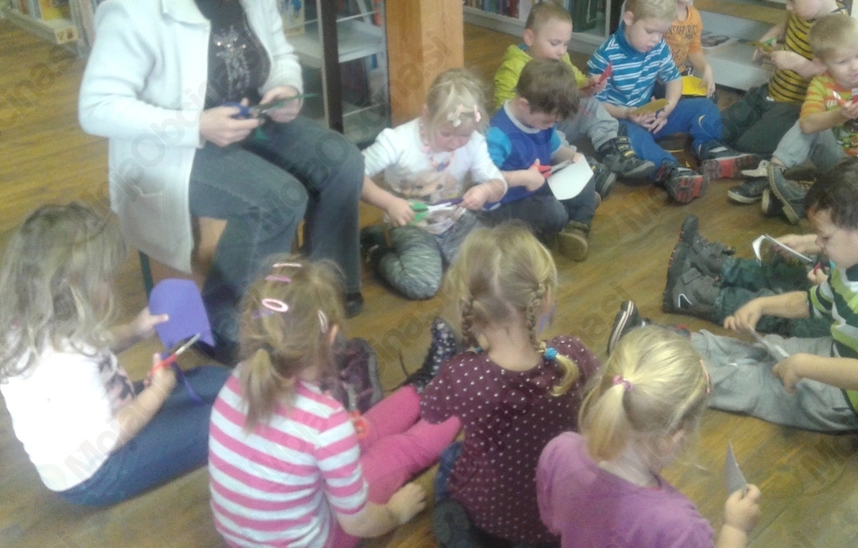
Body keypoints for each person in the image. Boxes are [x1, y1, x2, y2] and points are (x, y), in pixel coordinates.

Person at [78, 0, 365, 363]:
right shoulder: (137, 1)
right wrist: (196, 125)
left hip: (247, 120)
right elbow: (96, 108)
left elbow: (280, 52)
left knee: (342, 161)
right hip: (171, 148)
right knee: (277, 200)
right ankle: (228, 329)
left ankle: (323, 292)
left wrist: (286, 85)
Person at [0, 203, 229, 506]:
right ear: (73, 289)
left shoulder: (35, 319)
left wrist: (135, 330)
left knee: (214, 381)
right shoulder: (67, 363)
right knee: (224, 422)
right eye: (104, 276)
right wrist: (157, 393)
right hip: (99, 472)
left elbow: (97, 342)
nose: (110, 282)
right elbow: (108, 438)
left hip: (108, 417)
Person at [208, 256, 461, 548]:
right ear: (331, 337)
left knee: (363, 428)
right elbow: (358, 523)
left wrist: (337, 436)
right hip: (321, 539)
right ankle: (461, 401)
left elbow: (290, 440)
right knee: (395, 449)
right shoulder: (326, 421)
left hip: (245, 539)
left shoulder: (237, 379)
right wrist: (395, 512)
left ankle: (424, 386)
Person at [691, 157, 858, 432]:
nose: (817, 243)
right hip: (841, 352)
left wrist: (802, 365)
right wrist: (762, 304)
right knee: (766, 350)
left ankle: (676, 380)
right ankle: (679, 342)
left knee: (759, 384)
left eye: (825, 237)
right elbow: (810, 302)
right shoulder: (855, 266)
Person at [660, 114, 858, 330]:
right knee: (790, 272)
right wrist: (808, 244)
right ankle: (720, 267)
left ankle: (700, 297)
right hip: (852, 283)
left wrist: (832, 287)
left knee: (794, 310)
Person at [421, 223, 599, 547]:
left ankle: (467, 537)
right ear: (545, 299)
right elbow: (600, 393)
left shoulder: (461, 374)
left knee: (450, 457)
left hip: (492, 514)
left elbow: (431, 412)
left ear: (468, 306)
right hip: (555, 514)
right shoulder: (571, 354)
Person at [537, 327, 761, 548]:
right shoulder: (678, 529)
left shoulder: (558, 450)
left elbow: (552, 520)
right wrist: (736, 529)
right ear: (675, 437)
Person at [587, 0, 752, 204]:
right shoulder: (605, 56)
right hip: (620, 119)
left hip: (652, 114)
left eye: (661, 33)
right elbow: (594, 104)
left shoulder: (658, 47)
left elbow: (673, 79)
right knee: (629, 137)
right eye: (650, 31)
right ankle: (671, 170)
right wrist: (627, 113)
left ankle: (709, 148)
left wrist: (669, 107)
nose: (656, 39)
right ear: (629, 18)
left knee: (705, 106)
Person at [746, 13, 858, 224]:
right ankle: (773, 174)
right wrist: (838, 115)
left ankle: (797, 198)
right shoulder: (820, 85)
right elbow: (807, 126)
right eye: (842, 62)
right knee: (805, 123)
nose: (854, 66)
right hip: (838, 160)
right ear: (821, 62)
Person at [359, 68, 506, 300]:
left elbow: (499, 183)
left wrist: (485, 190)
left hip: (455, 219)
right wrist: (389, 203)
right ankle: (375, 247)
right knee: (422, 285)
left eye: (464, 136)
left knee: (496, 267)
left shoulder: (474, 142)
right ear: (426, 114)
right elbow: (353, 175)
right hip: (411, 224)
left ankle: (442, 255)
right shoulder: (397, 141)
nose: (455, 143)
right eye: (446, 134)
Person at [725, 0, 845, 203]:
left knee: (748, 146)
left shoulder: (837, 29)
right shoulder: (804, 9)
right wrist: (771, 35)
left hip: (795, 107)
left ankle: (772, 172)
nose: (788, 7)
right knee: (726, 129)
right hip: (771, 92)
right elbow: (786, 23)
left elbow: (825, 77)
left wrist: (796, 63)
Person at [492, 0, 655, 185]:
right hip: (537, 127)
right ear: (530, 37)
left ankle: (612, 149)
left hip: (557, 118)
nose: (561, 51)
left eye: (566, 44)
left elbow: (577, 85)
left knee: (591, 105)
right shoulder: (512, 68)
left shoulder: (561, 59)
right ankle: (576, 165)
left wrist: (589, 86)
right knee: (550, 131)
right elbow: (506, 111)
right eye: (555, 43)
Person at [486, 59, 598, 261]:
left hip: (541, 186)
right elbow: (486, 180)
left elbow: (555, 150)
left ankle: (578, 226)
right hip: (508, 203)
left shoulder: (541, 120)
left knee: (587, 169)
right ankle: (579, 210)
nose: (550, 126)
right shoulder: (498, 134)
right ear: (524, 105)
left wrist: (572, 157)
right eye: (548, 121)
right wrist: (524, 178)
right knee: (553, 212)